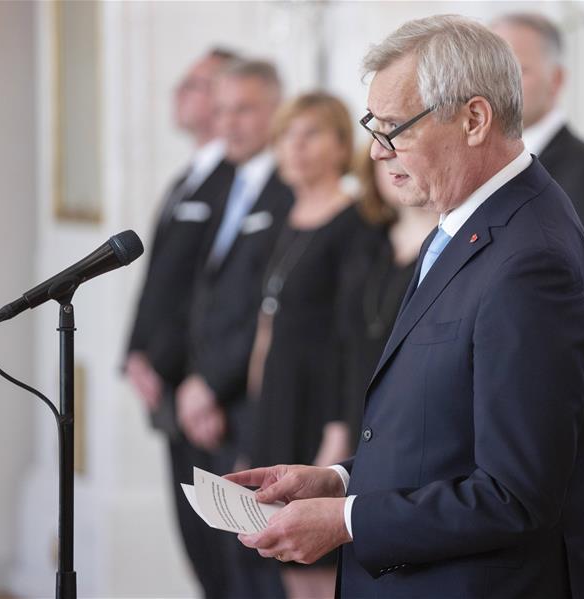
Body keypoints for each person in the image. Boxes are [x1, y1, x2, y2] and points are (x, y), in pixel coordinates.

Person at [228, 15, 584, 598]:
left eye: (394, 128)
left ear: (475, 119)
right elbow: (442, 440)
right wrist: (338, 483)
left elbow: (514, 495)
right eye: (373, 126)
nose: (376, 151)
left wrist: (347, 521)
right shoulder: (470, 222)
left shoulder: (532, 262)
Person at [491, 13, 584, 491]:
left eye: (517, 69)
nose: (499, 83)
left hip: (559, 429)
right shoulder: (485, 171)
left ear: (557, 80)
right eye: (490, 68)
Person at [243, 92, 367, 599]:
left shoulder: (356, 223)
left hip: (320, 408)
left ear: (341, 145)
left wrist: (338, 434)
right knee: (281, 560)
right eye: (286, 136)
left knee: (316, 566)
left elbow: (352, 338)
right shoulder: (285, 219)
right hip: (278, 400)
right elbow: (268, 321)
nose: (295, 147)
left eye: (310, 133)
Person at [124, 48, 238, 599]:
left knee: (225, 549)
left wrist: (201, 376)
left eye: (197, 83)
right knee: (195, 540)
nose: (181, 92)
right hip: (168, 381)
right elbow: (160, 278)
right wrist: (136, 352)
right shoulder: (187, 178)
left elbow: (214, 292)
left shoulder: (235, 180)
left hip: (205, 388)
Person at [178, 58, 293, 598]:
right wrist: (192, 378)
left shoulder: (289, 189)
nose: (228, 123)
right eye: (221, 110)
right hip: (205, 404)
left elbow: (265, 309)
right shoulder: (226, 184)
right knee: (217, 567)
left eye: (243, 110)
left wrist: (211, 382)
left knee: (256, 569)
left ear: (276, 110)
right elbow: (203, 295)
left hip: (251, 404)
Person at [337, 145, 438, 453]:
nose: (392, 166)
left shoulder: (451, 245)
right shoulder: (365, 240)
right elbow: (341, 341)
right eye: (382, 161)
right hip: (356, 412)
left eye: (400, 153)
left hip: (416, 426)